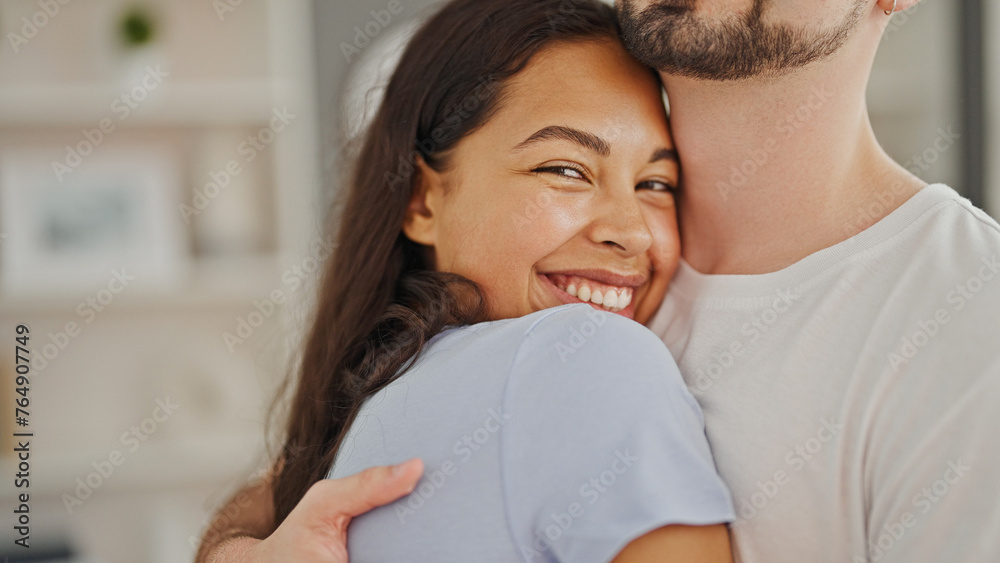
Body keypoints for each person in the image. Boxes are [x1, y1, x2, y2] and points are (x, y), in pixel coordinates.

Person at [199, 0, 1000, 561]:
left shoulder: (966, 316)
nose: (619, 221)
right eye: (565, 167)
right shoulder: (561, 284)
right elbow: (300, 480)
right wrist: (235, 549)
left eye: (649, 181)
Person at [197, 0, 737, 561]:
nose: (632, 233)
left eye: (656, 182)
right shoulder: (596, 356)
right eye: (565, 170)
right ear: (422, 198)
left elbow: (265, 492)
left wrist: (226, 551)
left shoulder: (378, 401)